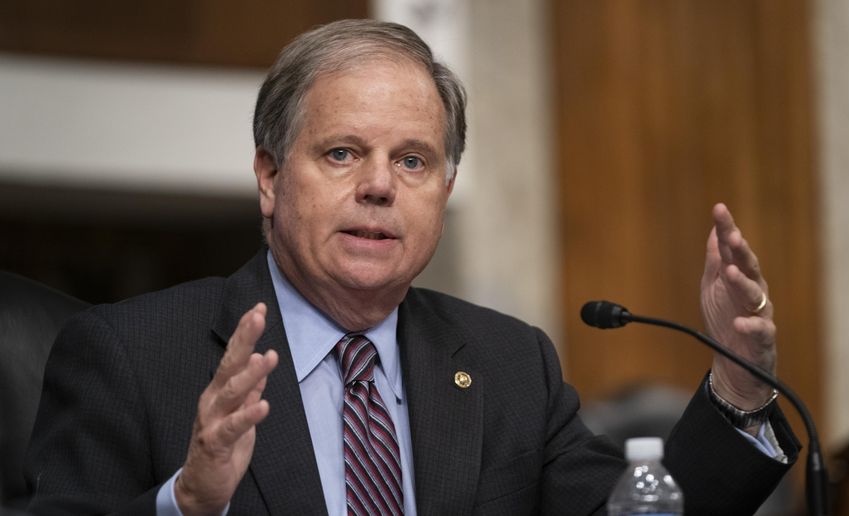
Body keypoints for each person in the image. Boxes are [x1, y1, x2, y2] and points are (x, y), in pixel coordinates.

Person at [25, 19, 798, 515]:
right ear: (269, 176)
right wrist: (186, 503)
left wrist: (738, 388)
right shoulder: (132, 354)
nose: (378, 186)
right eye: (341, 153)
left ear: (444, 190)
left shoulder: (507, 363)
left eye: (412, 160)